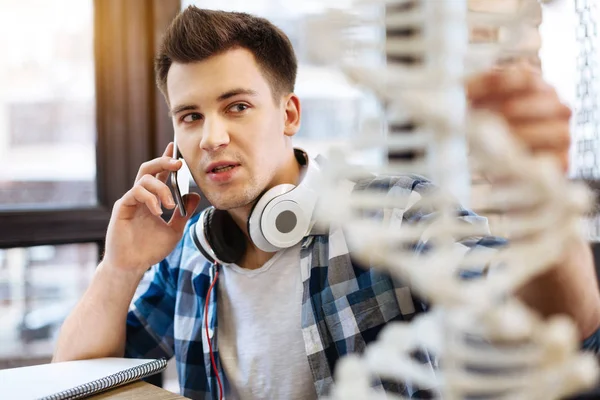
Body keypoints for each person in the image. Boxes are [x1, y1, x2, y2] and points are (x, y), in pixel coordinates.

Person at [52, 6, 600, 400]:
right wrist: (119, 266)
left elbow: (561, 321)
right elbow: (75, 380)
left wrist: (539, 197)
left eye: (236, 106)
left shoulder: (395, 213)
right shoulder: (191, 254)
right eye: (190, 116)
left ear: (289, 115)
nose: (211, 137)